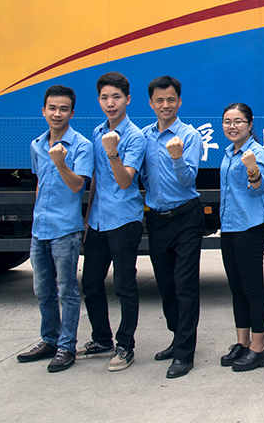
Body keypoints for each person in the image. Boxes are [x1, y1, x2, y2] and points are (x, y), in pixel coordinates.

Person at [17, 85, 93, 373]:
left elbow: (77, 186)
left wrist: (60, 162)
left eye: (63, 109)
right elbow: (40, 182)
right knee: (42, 290)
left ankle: (66, 346)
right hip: (40, 228)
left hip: (65, 230)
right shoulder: (37, 144)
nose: (57, 113)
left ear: (72, 113)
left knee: (67, 291)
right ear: (43, 111)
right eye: (52, 108)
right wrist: (37, 216)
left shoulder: (82, 146)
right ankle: (49, 340)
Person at [79, 72, 145, 372]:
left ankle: (125, 345)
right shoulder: (97, 132)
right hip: (98, 220)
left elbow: (124, 180)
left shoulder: (135, 136)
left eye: (116, 97)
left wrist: (112, 152)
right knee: (91, 283)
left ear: (127, 99)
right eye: (105, 98)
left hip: (124, 220)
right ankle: (102, 338)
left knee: (124, 285)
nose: (110, 103)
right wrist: (86, 220)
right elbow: (96, 179)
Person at [140, 76, 204, 379]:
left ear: (179, 102)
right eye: (159, 100)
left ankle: (184, 354)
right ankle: (177, 337)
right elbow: (142, 174)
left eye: (170, 100)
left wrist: (177, 158)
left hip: (186, 216)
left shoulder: (189, 136)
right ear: (151, 103)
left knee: (185, 285)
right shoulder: (145, 136)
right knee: (166, 286)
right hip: (156, 218)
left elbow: (188, 179)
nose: (165, 105)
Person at [218, 103, 264, 371]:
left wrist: (252, 169)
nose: (232, 126)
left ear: (250, 124)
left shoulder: (256, 153)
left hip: (249, 229)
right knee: (237, 290)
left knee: (252, 290)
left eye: (238, 121)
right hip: (229, 228)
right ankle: (243, 342)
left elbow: (259, 190)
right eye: (227, 121)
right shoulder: (228, 152)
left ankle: (259, 349)